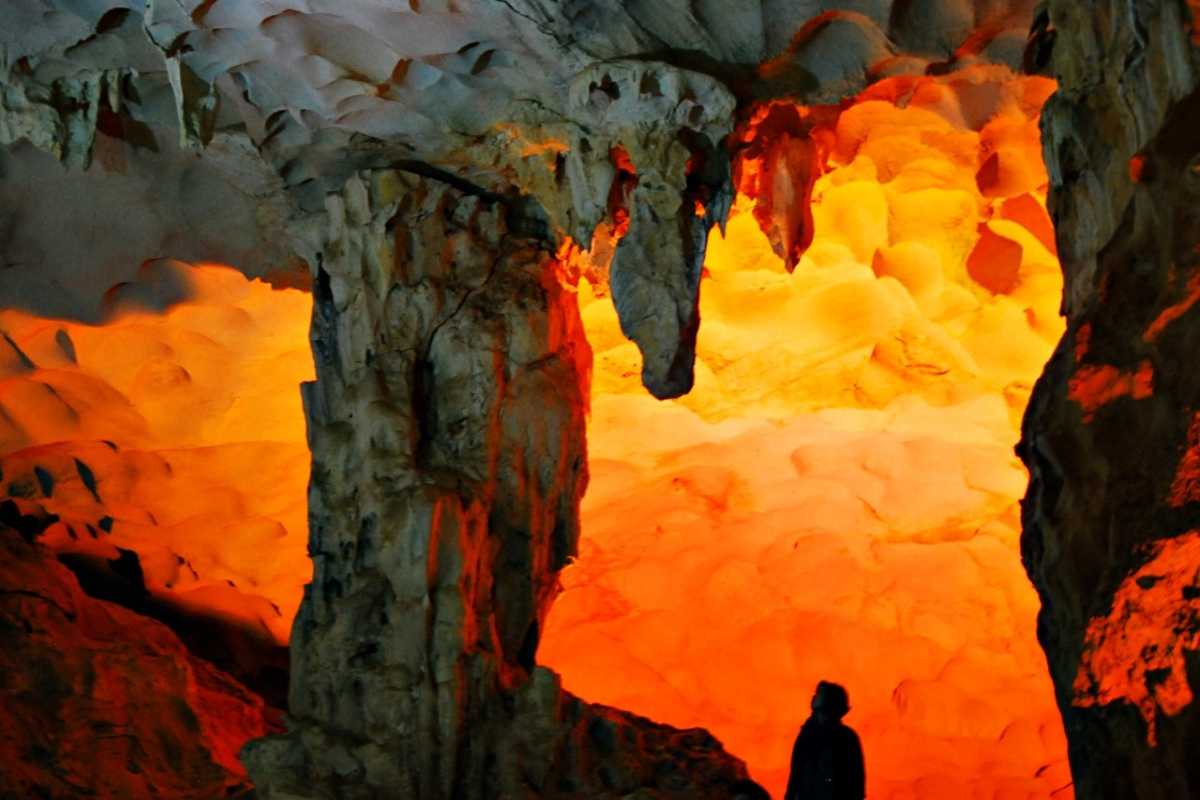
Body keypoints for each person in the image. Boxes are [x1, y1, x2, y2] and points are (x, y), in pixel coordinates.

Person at [783, 681, 865, 800]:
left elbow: (857, 786)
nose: (814, 697)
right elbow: (795, 776)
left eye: (818, 694)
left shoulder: (847, 738)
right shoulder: (807, 735)